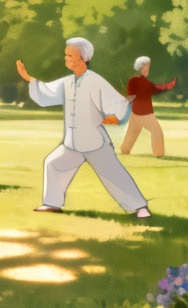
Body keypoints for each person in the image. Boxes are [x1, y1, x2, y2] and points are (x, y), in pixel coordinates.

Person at [16, 38, 151, 218]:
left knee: (114, 174)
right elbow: (46, 92)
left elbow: (115, 103)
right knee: (53, 163)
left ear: (82, 57)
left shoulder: (94, 81)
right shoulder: (67, 81)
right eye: (66, 54)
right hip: (72, 143)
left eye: (70, 55)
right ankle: (52, 204)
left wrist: (117, 114)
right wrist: (28, 78)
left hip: (94, 142)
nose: (66, 58)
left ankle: (140, 207)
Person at [121, 57, 176, 157]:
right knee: (157, 132)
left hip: (138, 114)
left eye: (148, 66)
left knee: (132, 134)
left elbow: (155, 88)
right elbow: (135, 94)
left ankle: (125, 151)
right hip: (144, 114)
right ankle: (158, 154)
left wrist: (169, 86)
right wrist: (169, 86)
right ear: (140, 67)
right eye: (146, 66)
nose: (147, 69)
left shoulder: (142, 81)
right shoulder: (135, 81)